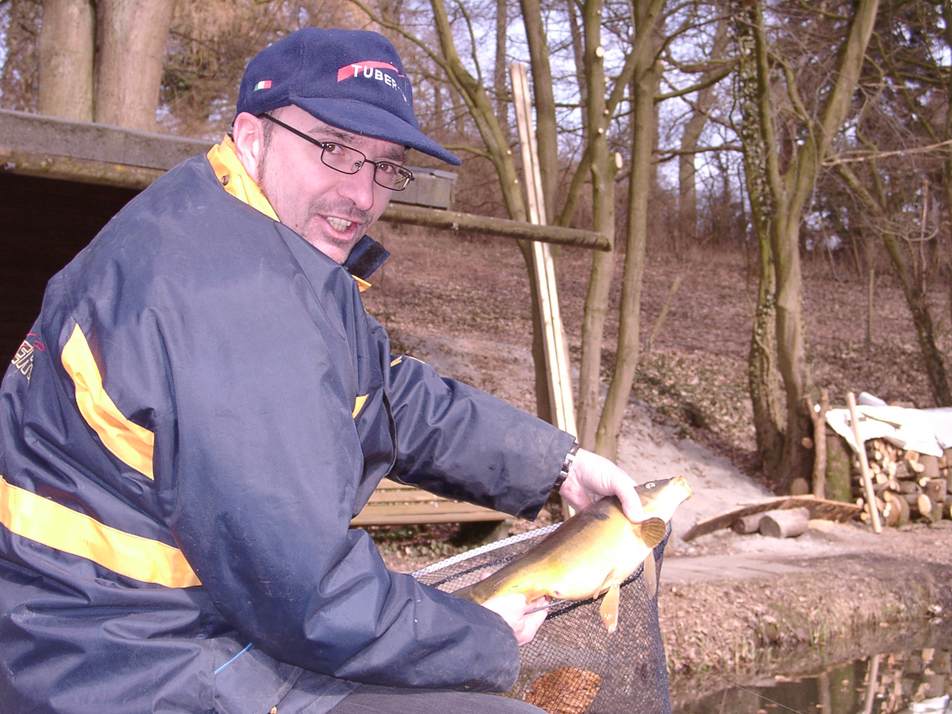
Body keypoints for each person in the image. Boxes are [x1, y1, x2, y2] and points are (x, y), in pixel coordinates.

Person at [0, 28, 644, 714]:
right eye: (335, 150)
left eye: (385, 166)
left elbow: (384, 395)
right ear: (253, 136)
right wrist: (483, 640)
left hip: (152, 626)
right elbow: (304, 591)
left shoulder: (246, 231)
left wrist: (557, 465)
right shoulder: (224, 293)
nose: (361, 193)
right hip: (119, 662)